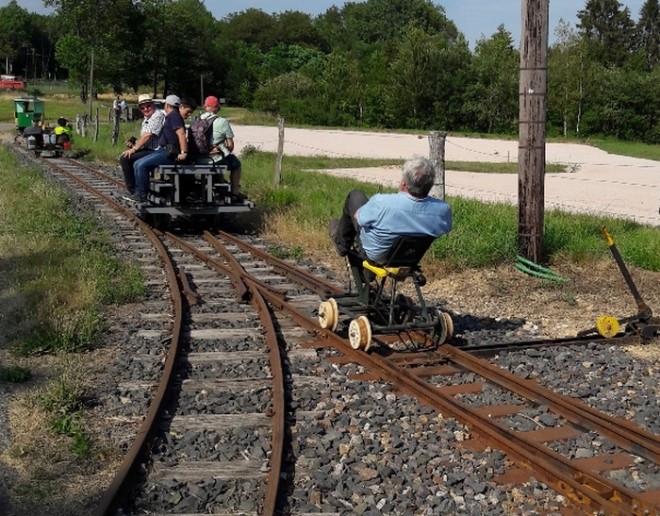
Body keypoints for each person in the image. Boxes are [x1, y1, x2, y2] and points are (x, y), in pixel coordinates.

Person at [329, 155, 452, 262]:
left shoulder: (382, 203)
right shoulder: (443, 210)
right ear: (430, 185)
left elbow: (358, 218)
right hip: (411, 257)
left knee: (355, 196)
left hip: (376, 255)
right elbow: (445, 229)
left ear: (404, 183)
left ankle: (342, 245)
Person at [130, 94, 189, 203]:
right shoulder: (171, 116)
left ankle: (142, 194)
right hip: (164, 150)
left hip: (169, 153)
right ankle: (138, 193)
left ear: (167, 105)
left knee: (141, 165)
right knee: (137, 163)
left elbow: (181, 134)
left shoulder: (174, 116)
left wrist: (183, 152)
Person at [194, 95, 243, 199]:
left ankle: (219, 184)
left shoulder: (197, 120)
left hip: (198, 158)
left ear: (205, 106)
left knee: (220, 160)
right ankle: (234, 192)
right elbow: (230, 145)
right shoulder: (222, 121)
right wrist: (222, 149)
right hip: (214, 159)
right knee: (235, 163)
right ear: (216, 107)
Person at [119, 94, 166, 195]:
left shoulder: (158, 115)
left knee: (126, 158)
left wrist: (134, 149)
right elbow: (145, 139)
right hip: (149, 149)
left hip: (157, 151)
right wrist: (134, 144)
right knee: (126, 157)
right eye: (142, 107)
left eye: (148, 106)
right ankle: (135, 188)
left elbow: (147, 136)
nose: (146, 109)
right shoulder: (147, 119)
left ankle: (135, 191)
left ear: (153, 105)